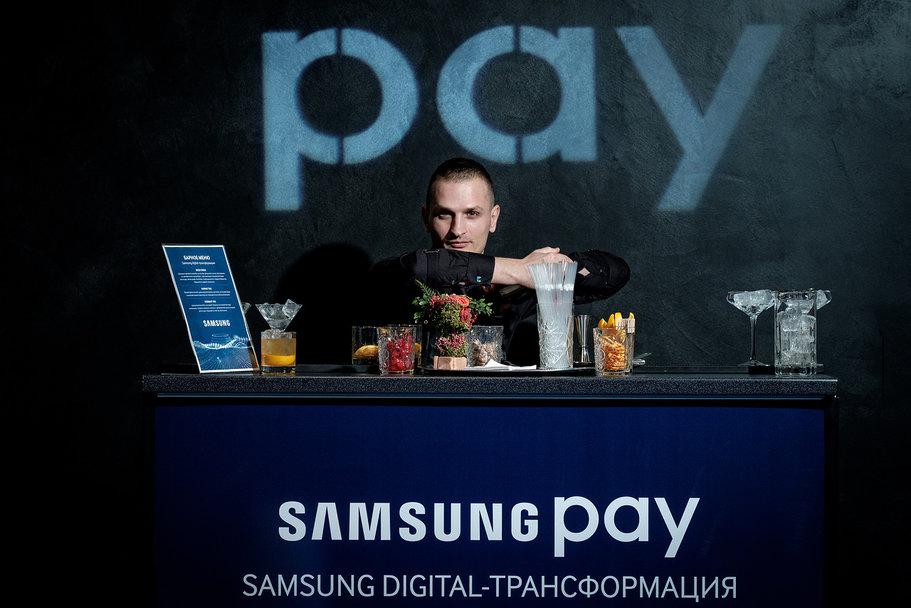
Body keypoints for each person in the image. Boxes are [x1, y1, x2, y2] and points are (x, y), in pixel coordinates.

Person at [368, 157, 630, 365]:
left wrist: (552, 267)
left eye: (472, 213)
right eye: (444, 215)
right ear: (426, 218)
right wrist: (516, 270)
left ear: (493, 218)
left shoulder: (515, 286)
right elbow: (419, 265)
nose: (457, 230)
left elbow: (614, 274)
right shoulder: (402, 274)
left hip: (497, 406)